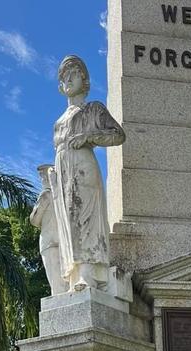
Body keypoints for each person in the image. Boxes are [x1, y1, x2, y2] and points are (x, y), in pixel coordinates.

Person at [51, 55, 125, 292]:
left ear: (84, 78)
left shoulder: (93, 109)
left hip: (84, 168)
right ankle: (74, 276)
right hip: (63, 173)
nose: (68, 79)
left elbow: (118, 135)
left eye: (73, 73)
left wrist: (89, 137)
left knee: (86, 219)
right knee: (69, 222)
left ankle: (88, 274)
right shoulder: (59, 120)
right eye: (64, 77)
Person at [30, 164, 65, 295]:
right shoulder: (63, 198)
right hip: (62, 240)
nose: (42, 179)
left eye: (43, 177)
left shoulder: (45, 195)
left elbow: (34, 220)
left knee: (55, 283)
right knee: (62, 278)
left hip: (48, 241)